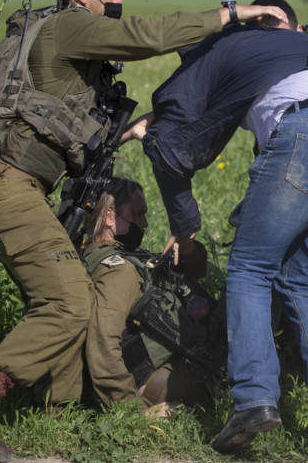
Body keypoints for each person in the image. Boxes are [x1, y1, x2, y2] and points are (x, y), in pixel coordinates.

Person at [0, 0, 286, 463]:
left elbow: (60, 132)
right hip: (6, 193)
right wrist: (233, 15)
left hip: (10, 190)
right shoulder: (69, 26)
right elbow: (147, 37)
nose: (120, 0)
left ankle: (58, 416)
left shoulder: (61, 45)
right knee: (68, 303)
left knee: (69, 295)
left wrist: (127, 130)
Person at [127, 0, 308, 454]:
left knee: (250, 268)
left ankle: (253, 400)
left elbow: (171, 143)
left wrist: (184, 223)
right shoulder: (305, 44)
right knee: (302, 278)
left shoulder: (227, 45)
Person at [81, 177, 218, 416]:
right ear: (109, 216)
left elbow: (189, 272)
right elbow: (102, 344)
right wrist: (134, 412)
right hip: (153, 380)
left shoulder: (101, 257)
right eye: (136, 215)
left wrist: (186, 248)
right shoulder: (118, 271)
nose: (143, 224)